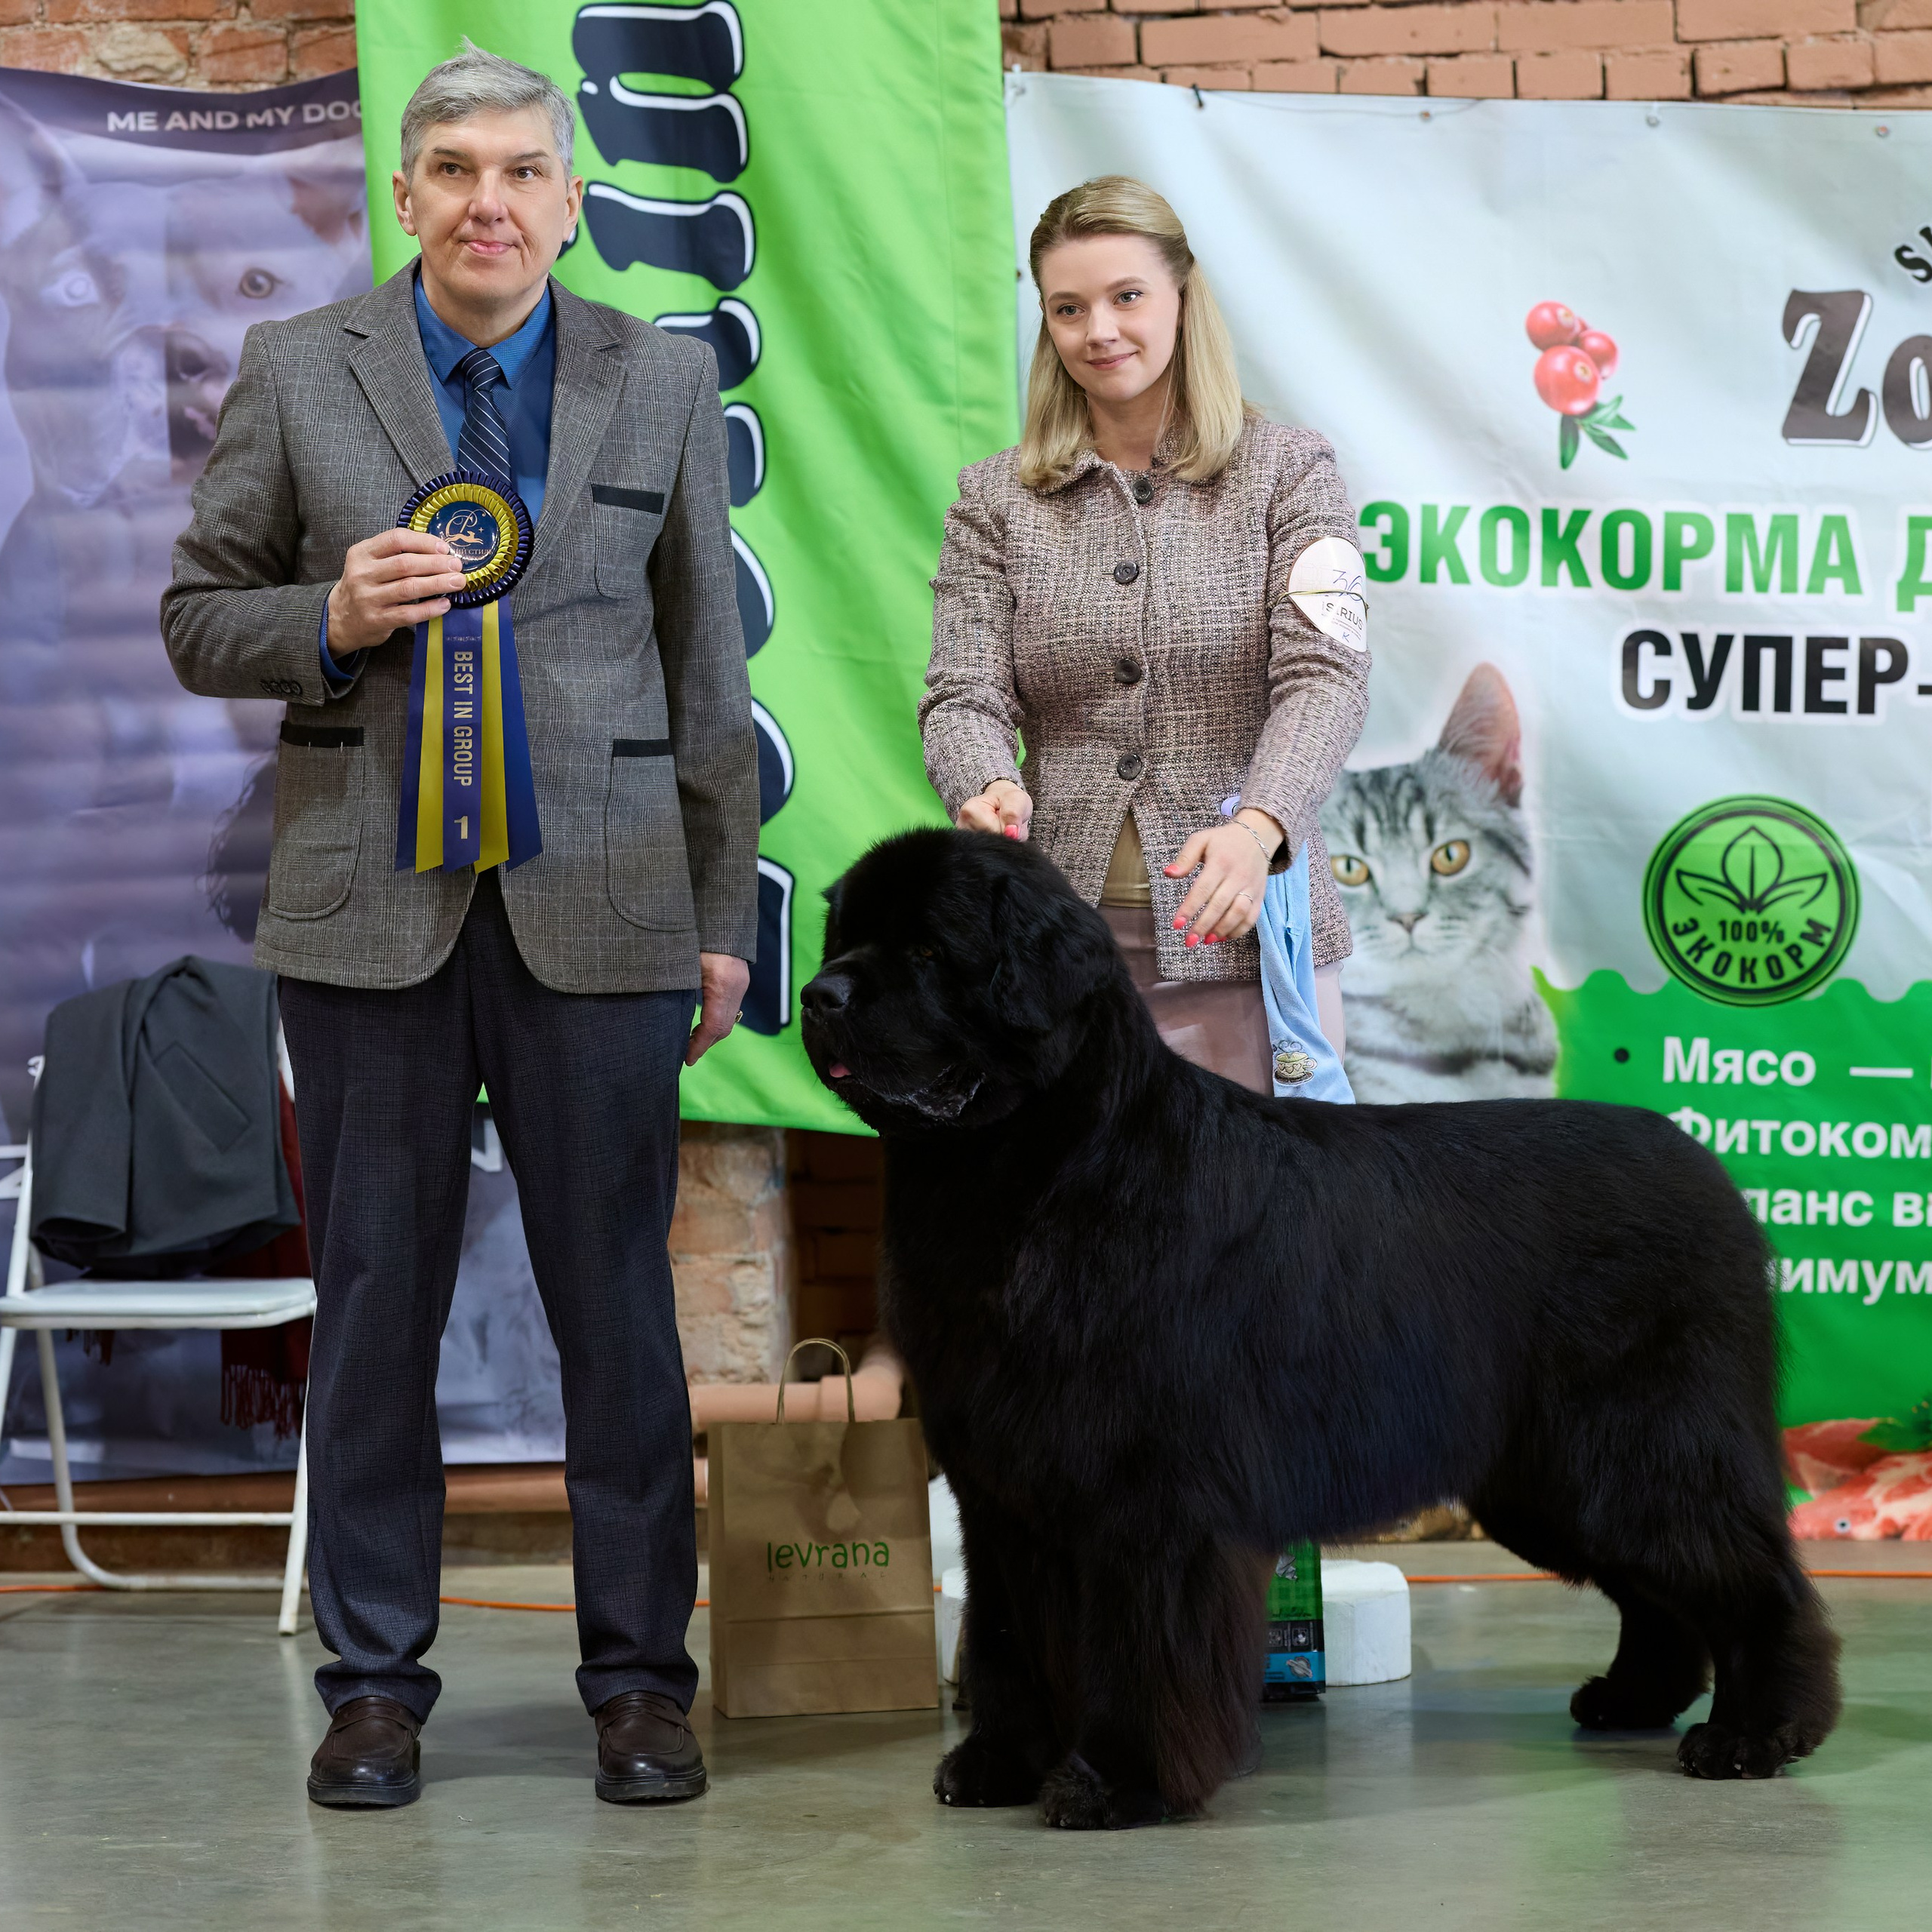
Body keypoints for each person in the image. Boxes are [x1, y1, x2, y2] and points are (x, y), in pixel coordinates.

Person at [161, 45, 757, 1810]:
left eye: (520, 170)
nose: (487, 198)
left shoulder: (658, 374)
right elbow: (198, 616)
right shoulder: (298, 367)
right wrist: (329, 617)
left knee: (618, 1321)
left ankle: (639, 1684)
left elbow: (704, 667)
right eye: (455, 168)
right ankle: (371, 1689)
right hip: (366, 914)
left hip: (610, 909)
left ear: (568, 202)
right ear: (404, 193)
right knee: (373, 1310)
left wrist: (717, 911)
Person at [921, 175, 1367, 1094]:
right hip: (1051, 959)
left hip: (1246, 942)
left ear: (1183, 298)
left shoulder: (1291, 471)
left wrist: (1257, 828)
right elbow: (962, 694)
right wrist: (983, 780)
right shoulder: (992, 499)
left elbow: (1325, 678)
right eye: (1068, 308)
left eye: (1127, 296)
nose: (1099, 331)